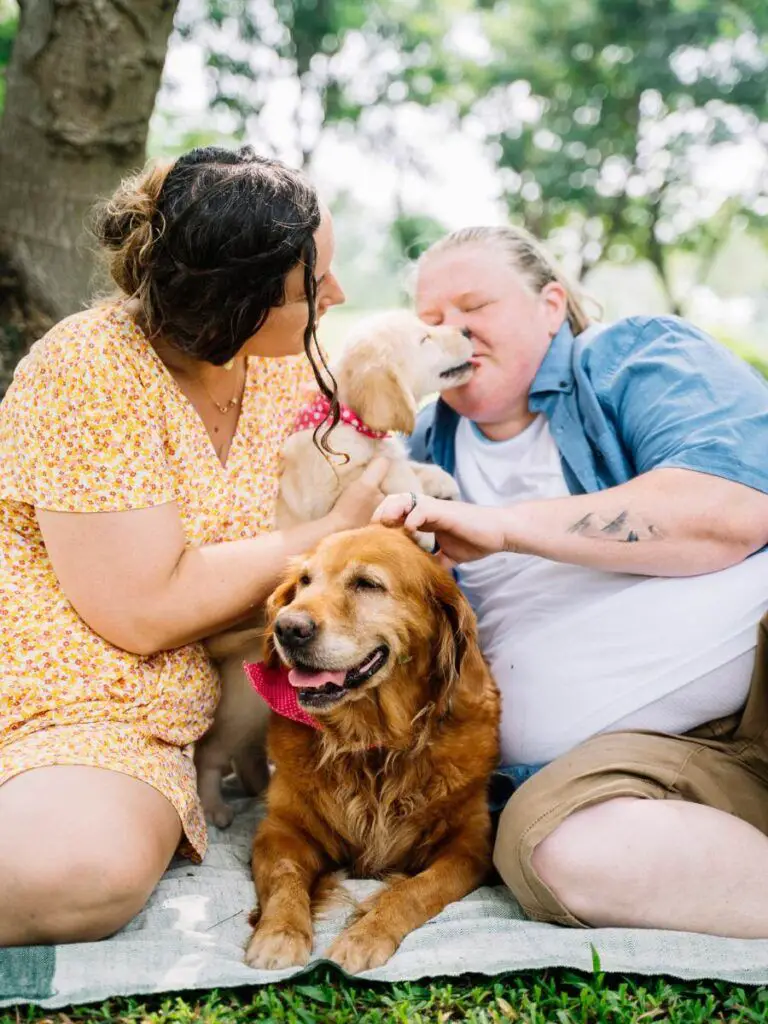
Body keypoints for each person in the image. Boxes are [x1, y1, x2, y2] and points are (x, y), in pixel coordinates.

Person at [0, 145, 389, 946]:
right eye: (314, 285)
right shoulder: (89, 368)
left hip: (163, 715)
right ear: (235, 301)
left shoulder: (282, 374)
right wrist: (326, 533)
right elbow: (140, 611)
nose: (340, 297)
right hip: (59, 698)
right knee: (78, 872)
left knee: (76, 871)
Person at [374, 224, 768, 938]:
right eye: (430, 323)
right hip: (653, 754)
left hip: (757, 674)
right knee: (556, 848)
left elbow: (734, 510)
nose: (451, 332)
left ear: (550, 305)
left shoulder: (635, 356)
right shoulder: (422, 446)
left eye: (474, 308)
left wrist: (503, 525)